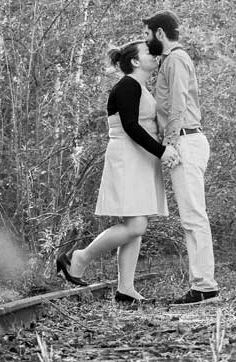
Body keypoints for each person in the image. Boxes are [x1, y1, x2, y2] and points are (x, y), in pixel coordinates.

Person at [56, 40, 180, 304]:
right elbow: (132, 127)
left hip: (140, 159)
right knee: (136, 225)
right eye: (149, 52)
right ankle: (79, 258)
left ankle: (126, 289)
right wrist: (162, 151)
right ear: (135, 61)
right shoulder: (127, 85)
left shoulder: (141, 87)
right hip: (128, 156)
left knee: (134, 226)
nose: (154, 54)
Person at [143, 10, 220, 306]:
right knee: (191, 217)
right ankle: (203, 285)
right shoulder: (173, 60)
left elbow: (177, 104)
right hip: (186, 139)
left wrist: (170, 144)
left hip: (185, 140)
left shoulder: (175, 59)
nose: (146, 40)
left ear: (160, 33)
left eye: (148, 34)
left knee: (193, 217)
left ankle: (204, 286)